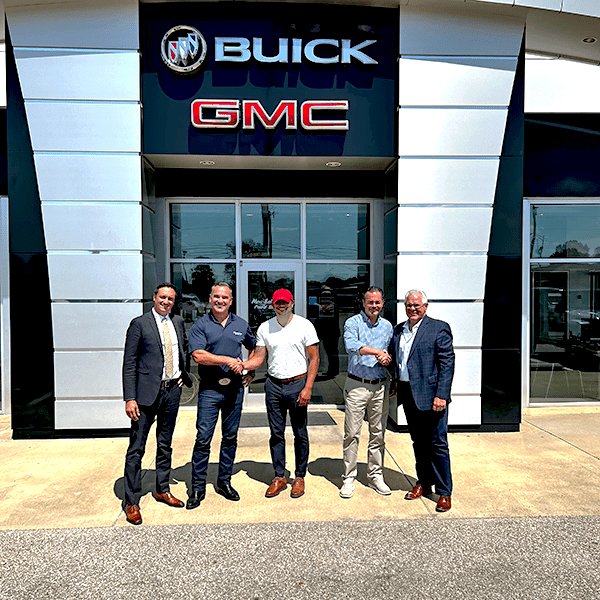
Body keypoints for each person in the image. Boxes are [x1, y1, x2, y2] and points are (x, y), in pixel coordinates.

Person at [122, 282, 192, 525]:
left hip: (171, 392)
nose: (166, 302)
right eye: (162, 297)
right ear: (154, 298)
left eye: (171, 299)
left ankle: (163, 488)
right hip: (144, 396)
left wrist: (184, 374)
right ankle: (131, 500)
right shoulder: (139, 324)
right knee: (137, 448)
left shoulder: (178, 322)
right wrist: (130, 398)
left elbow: (183, 350)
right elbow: (129, 363)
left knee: (165, 444)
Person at [242, 289, 319, 499]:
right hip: (274, 386)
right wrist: (244, 366)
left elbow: (314, 359)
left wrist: (308, 387)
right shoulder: (265, 328)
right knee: (276, 434)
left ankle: (299, 476)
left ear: (292, 303)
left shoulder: (304, 325)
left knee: (300, 433)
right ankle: (279, 477)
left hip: (297, 384)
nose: (281, 306)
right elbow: (259, 357)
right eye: (277, 303)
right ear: (273, 305)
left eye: (285, 302)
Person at [186, 283, 256, 509]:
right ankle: (197, 487)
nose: (220, 300)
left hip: (234, 389)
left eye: (224, 297)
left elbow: (255, 347)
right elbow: (198, 355)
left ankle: (223, 482)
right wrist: (227, 360)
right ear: (209, 298)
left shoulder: (240, 324)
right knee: (203, 438)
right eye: (216, 296)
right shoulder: (200, 325)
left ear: (231, 300)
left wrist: (249, 368)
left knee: (230, 437)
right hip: (210, 389)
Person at [389, 289, 455, 513]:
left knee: (437, 443)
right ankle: (425, 483)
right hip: (408, 394)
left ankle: (444, 491)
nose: (413, 309)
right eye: (409, 305)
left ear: (426, 306)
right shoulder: (399, 329)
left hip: (432, 395)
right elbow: (397, 360)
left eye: (417, 305)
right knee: (419, 442)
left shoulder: (438, 328)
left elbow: (447, 364)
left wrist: (442, 395)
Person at [340, 287, 393, 499]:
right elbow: (351, 345)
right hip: (357, 385)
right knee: (352, 433)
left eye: (377, 303)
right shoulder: (353, 323)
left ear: (382, 303)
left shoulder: (387, 326)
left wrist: (387, 358)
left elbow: (391, 352)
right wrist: (377, 351)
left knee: (378, 434)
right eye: (370, 302)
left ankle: (375, 475)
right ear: (363, 303)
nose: (374, 306)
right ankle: (348, 478)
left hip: (380, 385)